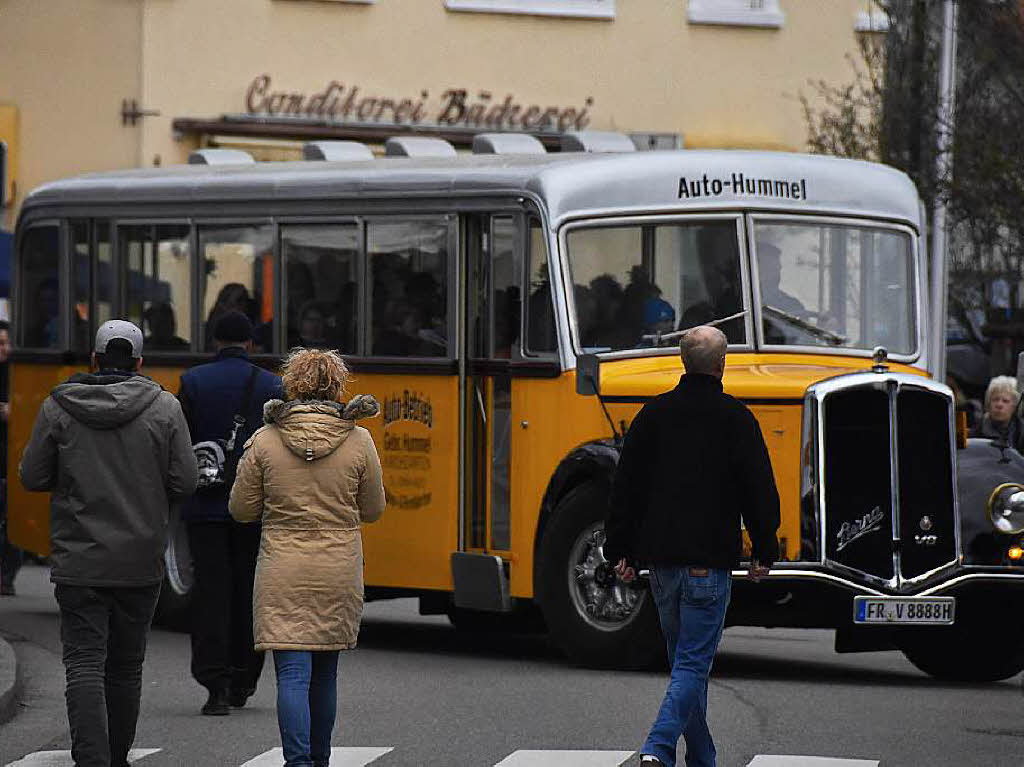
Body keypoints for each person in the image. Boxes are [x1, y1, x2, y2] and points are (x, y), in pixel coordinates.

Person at [19, 320, 198, 767]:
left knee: (83, 664)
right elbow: (186, 480)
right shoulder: (164, 408)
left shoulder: (58, 407)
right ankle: (117, 758)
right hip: (140, 559)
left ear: (94, 359)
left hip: (79, 558)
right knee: (125, 666)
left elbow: (32, 475)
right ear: (140, 363)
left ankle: (92, 760)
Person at [603, 325, 780, 767]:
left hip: (661, 564)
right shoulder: (736, 418)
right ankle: (658, 748)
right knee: (692, 666)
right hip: (708, 562)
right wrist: (763, 549)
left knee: (686, 664)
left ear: (683, 362)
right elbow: (759, 489)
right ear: (722, 365)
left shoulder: (653, 414)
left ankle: (703, 758)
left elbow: (626, 487)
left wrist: (620, 549)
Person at [229, 348, 385, 767]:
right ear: (337, 385)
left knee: (293, 675)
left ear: (291, 384)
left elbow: (241, 509)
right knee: (325, 673)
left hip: (283, 564)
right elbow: (372, 509)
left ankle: (297, 762)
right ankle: (320, 759)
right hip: (338, 565)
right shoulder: (358, 440)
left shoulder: (265, 440)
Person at [178, 310, 283, 715]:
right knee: (249, 593)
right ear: (252, 343)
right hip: (254, 507)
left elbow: (179, 441)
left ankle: (214, 684)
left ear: (213, 341)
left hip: (204, 505)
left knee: (210, 594)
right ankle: (244, 677)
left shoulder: (192, 382)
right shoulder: (271, 385)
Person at [0, 320, 21, 596]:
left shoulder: (18, 375)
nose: (3, 349)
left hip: (10, 457)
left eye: (5, 343)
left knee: (10, 521)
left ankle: (6, 577)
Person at [972, 375, 1022, 447]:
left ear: (1014, 406)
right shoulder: (977, 432)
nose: (999, 405)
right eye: (995, 399)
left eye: (1005, 401)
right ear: (989, 403)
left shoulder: (1020, 432)